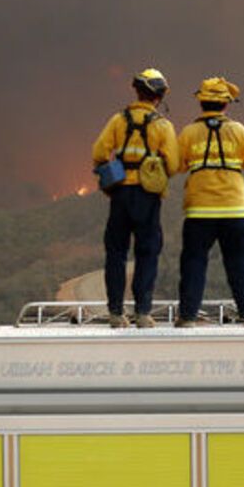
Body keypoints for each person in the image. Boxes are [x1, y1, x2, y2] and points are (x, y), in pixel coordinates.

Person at [175, 76, 244, 327]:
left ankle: (188, 317)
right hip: (234, 210)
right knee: (239, 263)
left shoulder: (189, 132)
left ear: (201, 103)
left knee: (193, 264)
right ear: (226, 105)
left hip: (199, 211)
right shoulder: (238, 131)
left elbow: (176, 165)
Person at [91, 68, 180, 327]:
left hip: (119, 194)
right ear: (159, 96)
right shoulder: (163, 126)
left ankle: (116, 313)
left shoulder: (118, 120)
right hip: (148, 196)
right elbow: (173, 165)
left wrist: (110, 170)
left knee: (116, 252)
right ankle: (142, 312)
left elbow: (99, 152)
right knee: (147, 252)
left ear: (138, 91)